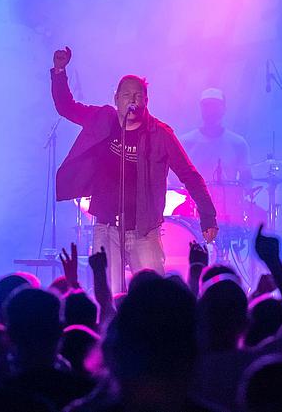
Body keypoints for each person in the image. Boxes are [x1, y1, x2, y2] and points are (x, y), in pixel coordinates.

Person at [50, 46, 218, 290]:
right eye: (127, 95)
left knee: (154, 298)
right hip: (106, 227)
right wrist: (59, 71)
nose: (133, 100)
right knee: (109, 295)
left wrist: (208, 216)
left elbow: (189, 175)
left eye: (139, 95)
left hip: (145, 232)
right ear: (116, 99)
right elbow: (66, 107)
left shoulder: (159, 134)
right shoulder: (103, 119)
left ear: (146, 101)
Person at [180, 88, 253, 225]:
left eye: (215, 105)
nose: (211, 110)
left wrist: (240, 200)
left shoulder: (238, 143)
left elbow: (247, 179)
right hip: (193, 212)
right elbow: (174, 179)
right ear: (201, 108)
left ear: (223, 108)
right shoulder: (186, 142)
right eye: (207, 105)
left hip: (228, 213)